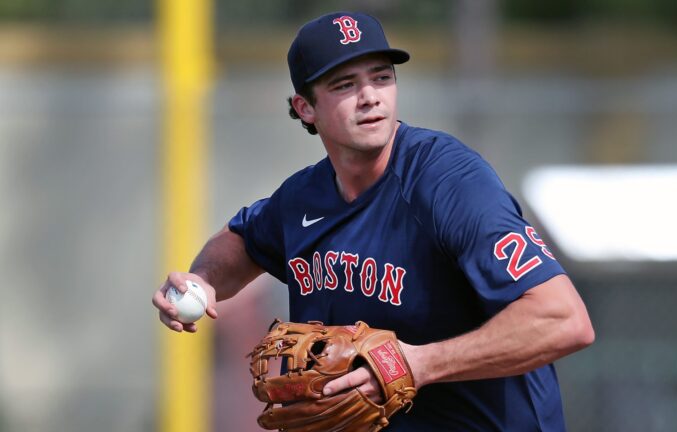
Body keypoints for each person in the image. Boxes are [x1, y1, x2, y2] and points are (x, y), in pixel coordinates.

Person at [152, 11, 594, 431]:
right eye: (345, 84)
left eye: (382, 77)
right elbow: (243, 239)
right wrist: (205, 280)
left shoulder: (449, 184)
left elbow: (563, 319)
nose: (370, 97)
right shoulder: (303, 199)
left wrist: (417, 363)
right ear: (305, 107)